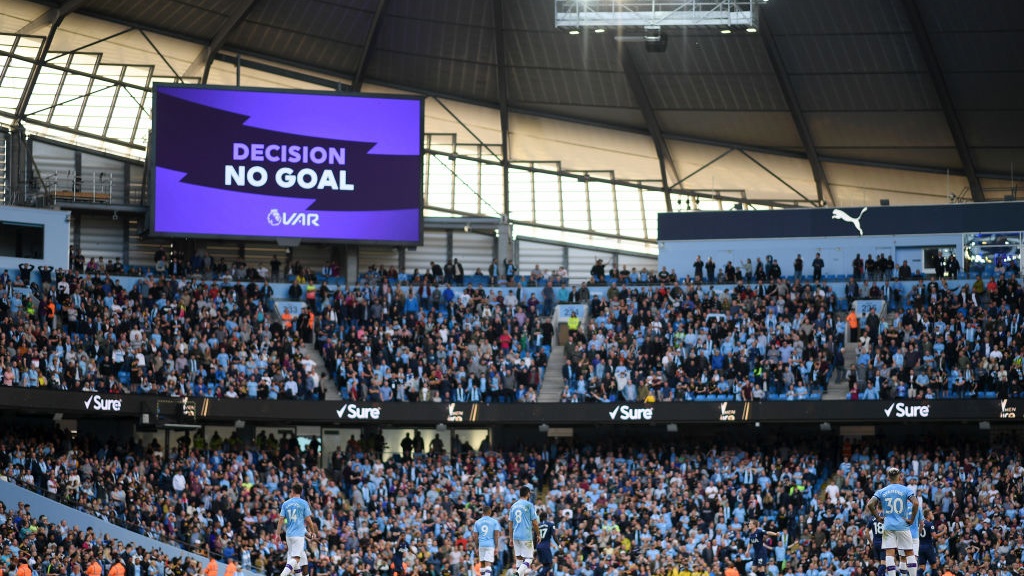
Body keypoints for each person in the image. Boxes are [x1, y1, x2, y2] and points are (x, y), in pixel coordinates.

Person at [867, 467, 919, 576]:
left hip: (888, 526)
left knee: (889, 553)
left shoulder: (882, 491)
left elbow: (870, 504)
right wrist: (912, 519)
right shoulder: (906, 489)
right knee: (909, 552)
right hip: (902, 525)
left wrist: (878, 518)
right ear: (900, 477)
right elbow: (916, 503)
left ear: (888, 478)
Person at [277, 483, 317, 576]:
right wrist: (313, 532)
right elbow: (308, 520)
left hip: (289, 535)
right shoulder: (304, 503)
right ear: (301, 492)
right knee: (296, 558)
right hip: (298, 535)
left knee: (295, 562)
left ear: (292, 491)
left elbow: (281, 520)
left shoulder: (285, 503)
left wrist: (278, 534)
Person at [508, 485, 539, 576]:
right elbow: (535, 522)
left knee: (519, 558)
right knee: (529, 558)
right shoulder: (529, 505)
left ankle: (518, 573)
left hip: (515, 535)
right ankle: (517, 573)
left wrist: (510, 538)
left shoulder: (513, 506)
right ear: (528, 494)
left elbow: (510, 523)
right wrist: (538, 534)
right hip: (526, 535)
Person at [473, 504, 503, 576]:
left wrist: (476, 547)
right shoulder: (494, 522)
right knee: (488, 564)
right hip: (490, 544)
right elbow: (496, 535)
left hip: (481, 544)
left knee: (482, 563)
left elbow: (475, 536)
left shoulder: (477, 522)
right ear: (490, 512)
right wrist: (496, 547)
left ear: (483, 512)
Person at [535, 510, 557, 576]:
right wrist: (559, 545)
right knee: (550, 565)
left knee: (545, 565)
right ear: (546, 517)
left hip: (538, 546)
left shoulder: (537, 525)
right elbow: (554, 536)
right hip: (545, 547)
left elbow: (534, 537)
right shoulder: (551, 524)